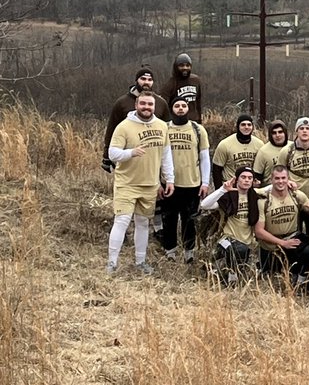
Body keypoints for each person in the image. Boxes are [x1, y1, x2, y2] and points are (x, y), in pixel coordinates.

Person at [106, 90, 175, 275]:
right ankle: (112, 263)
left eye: (150, 104)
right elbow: (112, 153)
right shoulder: (124, 127)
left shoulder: (162, 126)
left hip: (150, 184)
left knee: (143, 222)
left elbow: (166, 154)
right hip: (127, 183)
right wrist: (131, 153)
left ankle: (140, 261)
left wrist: (170, 179)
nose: (146, 107)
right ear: (136, 105)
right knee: (122, 220)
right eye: (143, 104)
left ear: (155, 107)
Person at [162, 93, 211, 263]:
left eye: (183, 106)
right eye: (177, 106)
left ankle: (189, 252)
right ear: (172, 109)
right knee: (169, 218)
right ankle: (170, 251)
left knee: (189, 220)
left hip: (192, 184)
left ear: (188, 109)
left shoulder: (198, 129)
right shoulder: (164, 128)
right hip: (170, 184)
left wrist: (205, 182)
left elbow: (205, 157)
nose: (180, 109)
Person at [255, 164, 309, 286]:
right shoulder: (263, 200)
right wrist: (283, 243)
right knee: (271, 280)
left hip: (292, 238)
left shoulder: (296, 195)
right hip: (272, 244)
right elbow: (259, 231)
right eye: (277, 178)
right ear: (271, 180)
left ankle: (302, 282)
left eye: (283, 178)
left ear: (288, 179)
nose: (280, 181)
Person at [199, 166, 258, 284]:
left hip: (248, 241)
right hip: (226, 238)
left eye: (250, 178)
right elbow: (204, 205)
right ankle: (231, 278)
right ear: (236, 179)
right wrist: (223, 189)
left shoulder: (255, 195)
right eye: (243, 177)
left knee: (244, 255)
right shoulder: (228, 197)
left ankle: (227, 269)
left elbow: (272, 187)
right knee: (239, 250)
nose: (246, 180)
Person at [102, 66, 168, 172]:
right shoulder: (122, 103)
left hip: (153, 159)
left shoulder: (161, 103)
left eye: (150, 80)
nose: (146, 82)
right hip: (128, 159)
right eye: (143, 79)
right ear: (136, 80)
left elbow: (167, 131)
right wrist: (106, 156)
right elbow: (111, 129)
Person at [211, 115, 264, 186]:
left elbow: (261, 168)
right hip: (231, 187)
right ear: (238, 126)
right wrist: (219, 191)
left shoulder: (259, 144)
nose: (246, 127)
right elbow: (216, 169)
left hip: (250, 186)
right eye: (243, 125)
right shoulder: (225, 144)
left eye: (249, 125)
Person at [161, 52, 201, 121]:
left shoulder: (195, 80)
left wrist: (199, 119)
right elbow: (163, 106)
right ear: (176, 67)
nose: (185, 68)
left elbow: (198, 101)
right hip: (177, 122)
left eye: (188, 65)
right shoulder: (170, 84)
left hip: (194, 121)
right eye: (181, 65)